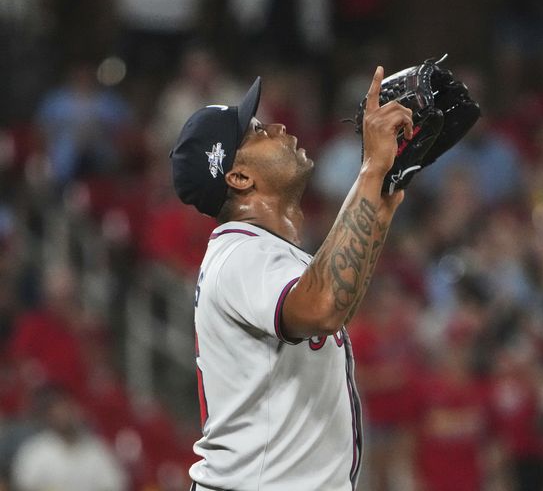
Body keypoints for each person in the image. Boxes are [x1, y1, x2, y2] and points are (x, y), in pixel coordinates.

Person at [169, 66, 412, 490]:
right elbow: (323, 309)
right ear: (239, 177)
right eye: (257, 131)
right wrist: (371, 170)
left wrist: (380, 195)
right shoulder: (240, 256)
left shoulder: (261, 253)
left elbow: (335, 298)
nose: (277, 127)